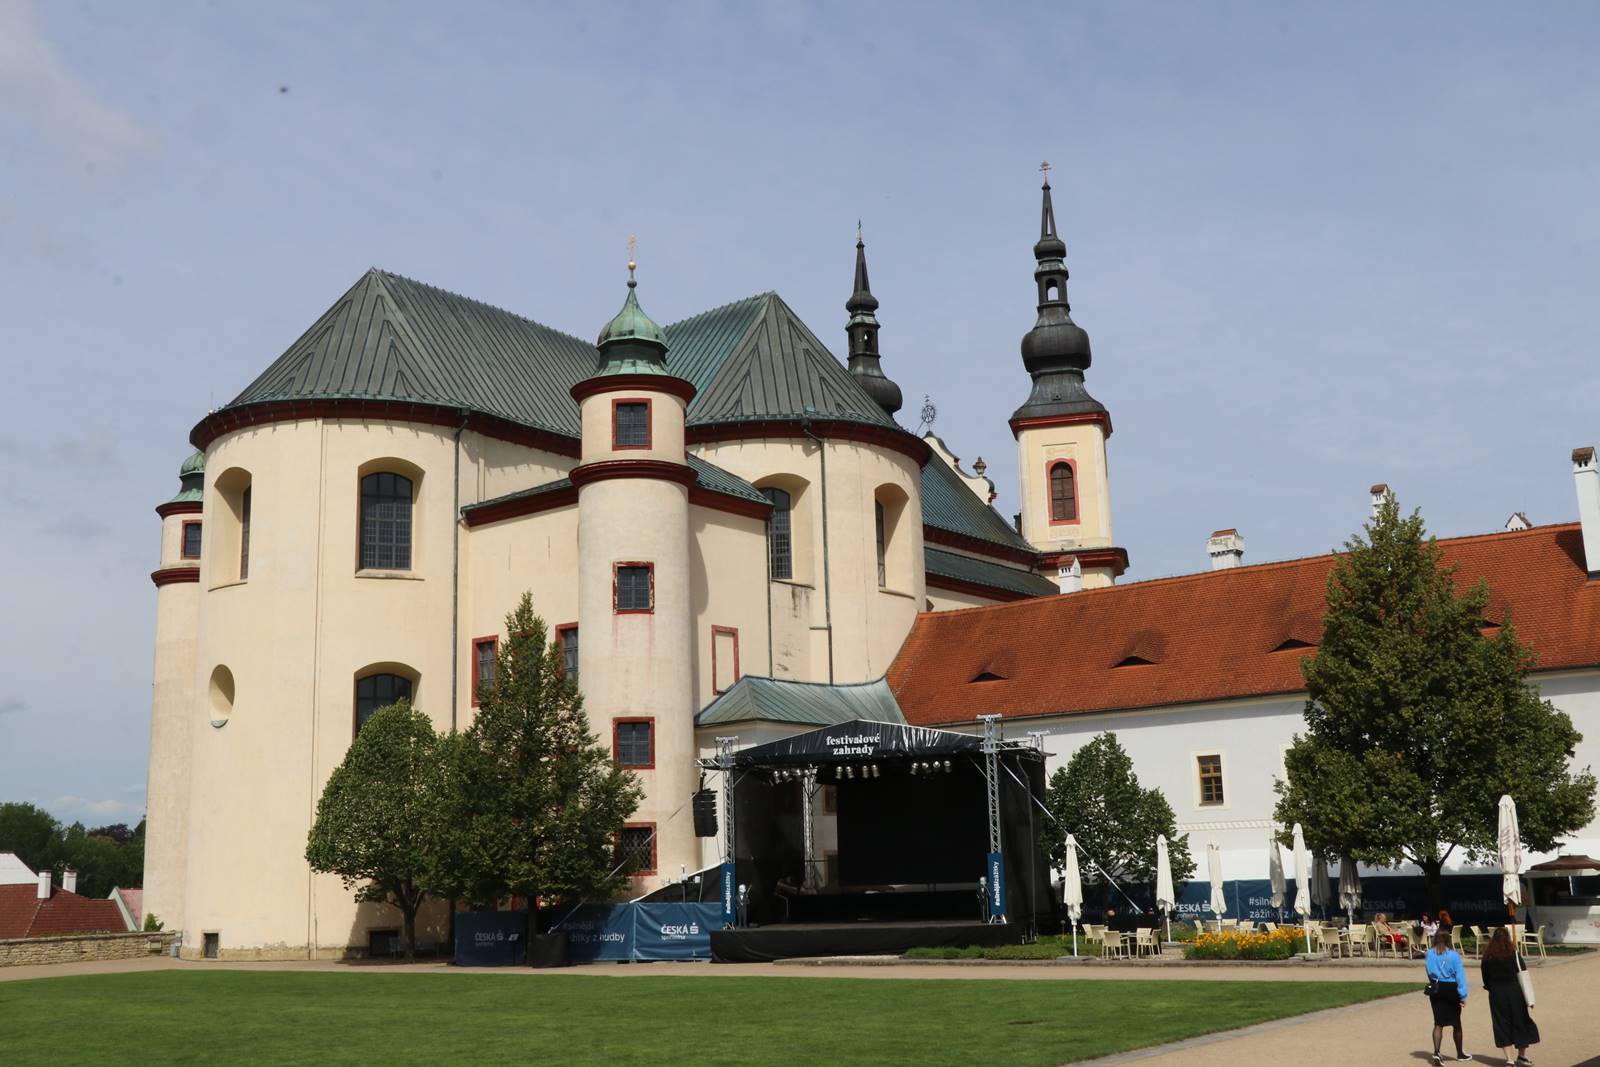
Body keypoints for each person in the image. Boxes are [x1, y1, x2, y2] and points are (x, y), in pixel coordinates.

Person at [1480, 927, 1540, 1066]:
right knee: (1520, 1021)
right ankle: (1522, 1055)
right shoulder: (1513, 953)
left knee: (1501, 1023)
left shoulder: (1487, 956)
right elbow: (1523, 970)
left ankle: (1509, 1059)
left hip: (1497, 993)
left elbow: (1485, 978)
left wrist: (1492, 987)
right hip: (1514, 991)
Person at [1424, 928, 1471, 1065]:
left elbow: (1428, 971)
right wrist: (1463, 995)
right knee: (1456, 1023)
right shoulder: (1453, 955)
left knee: (1438, 1023)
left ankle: (1437, 1052)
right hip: (1450, 988)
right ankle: (1460, 1053)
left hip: (1436, 988)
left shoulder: (1430, 954)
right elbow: (1460, 977)